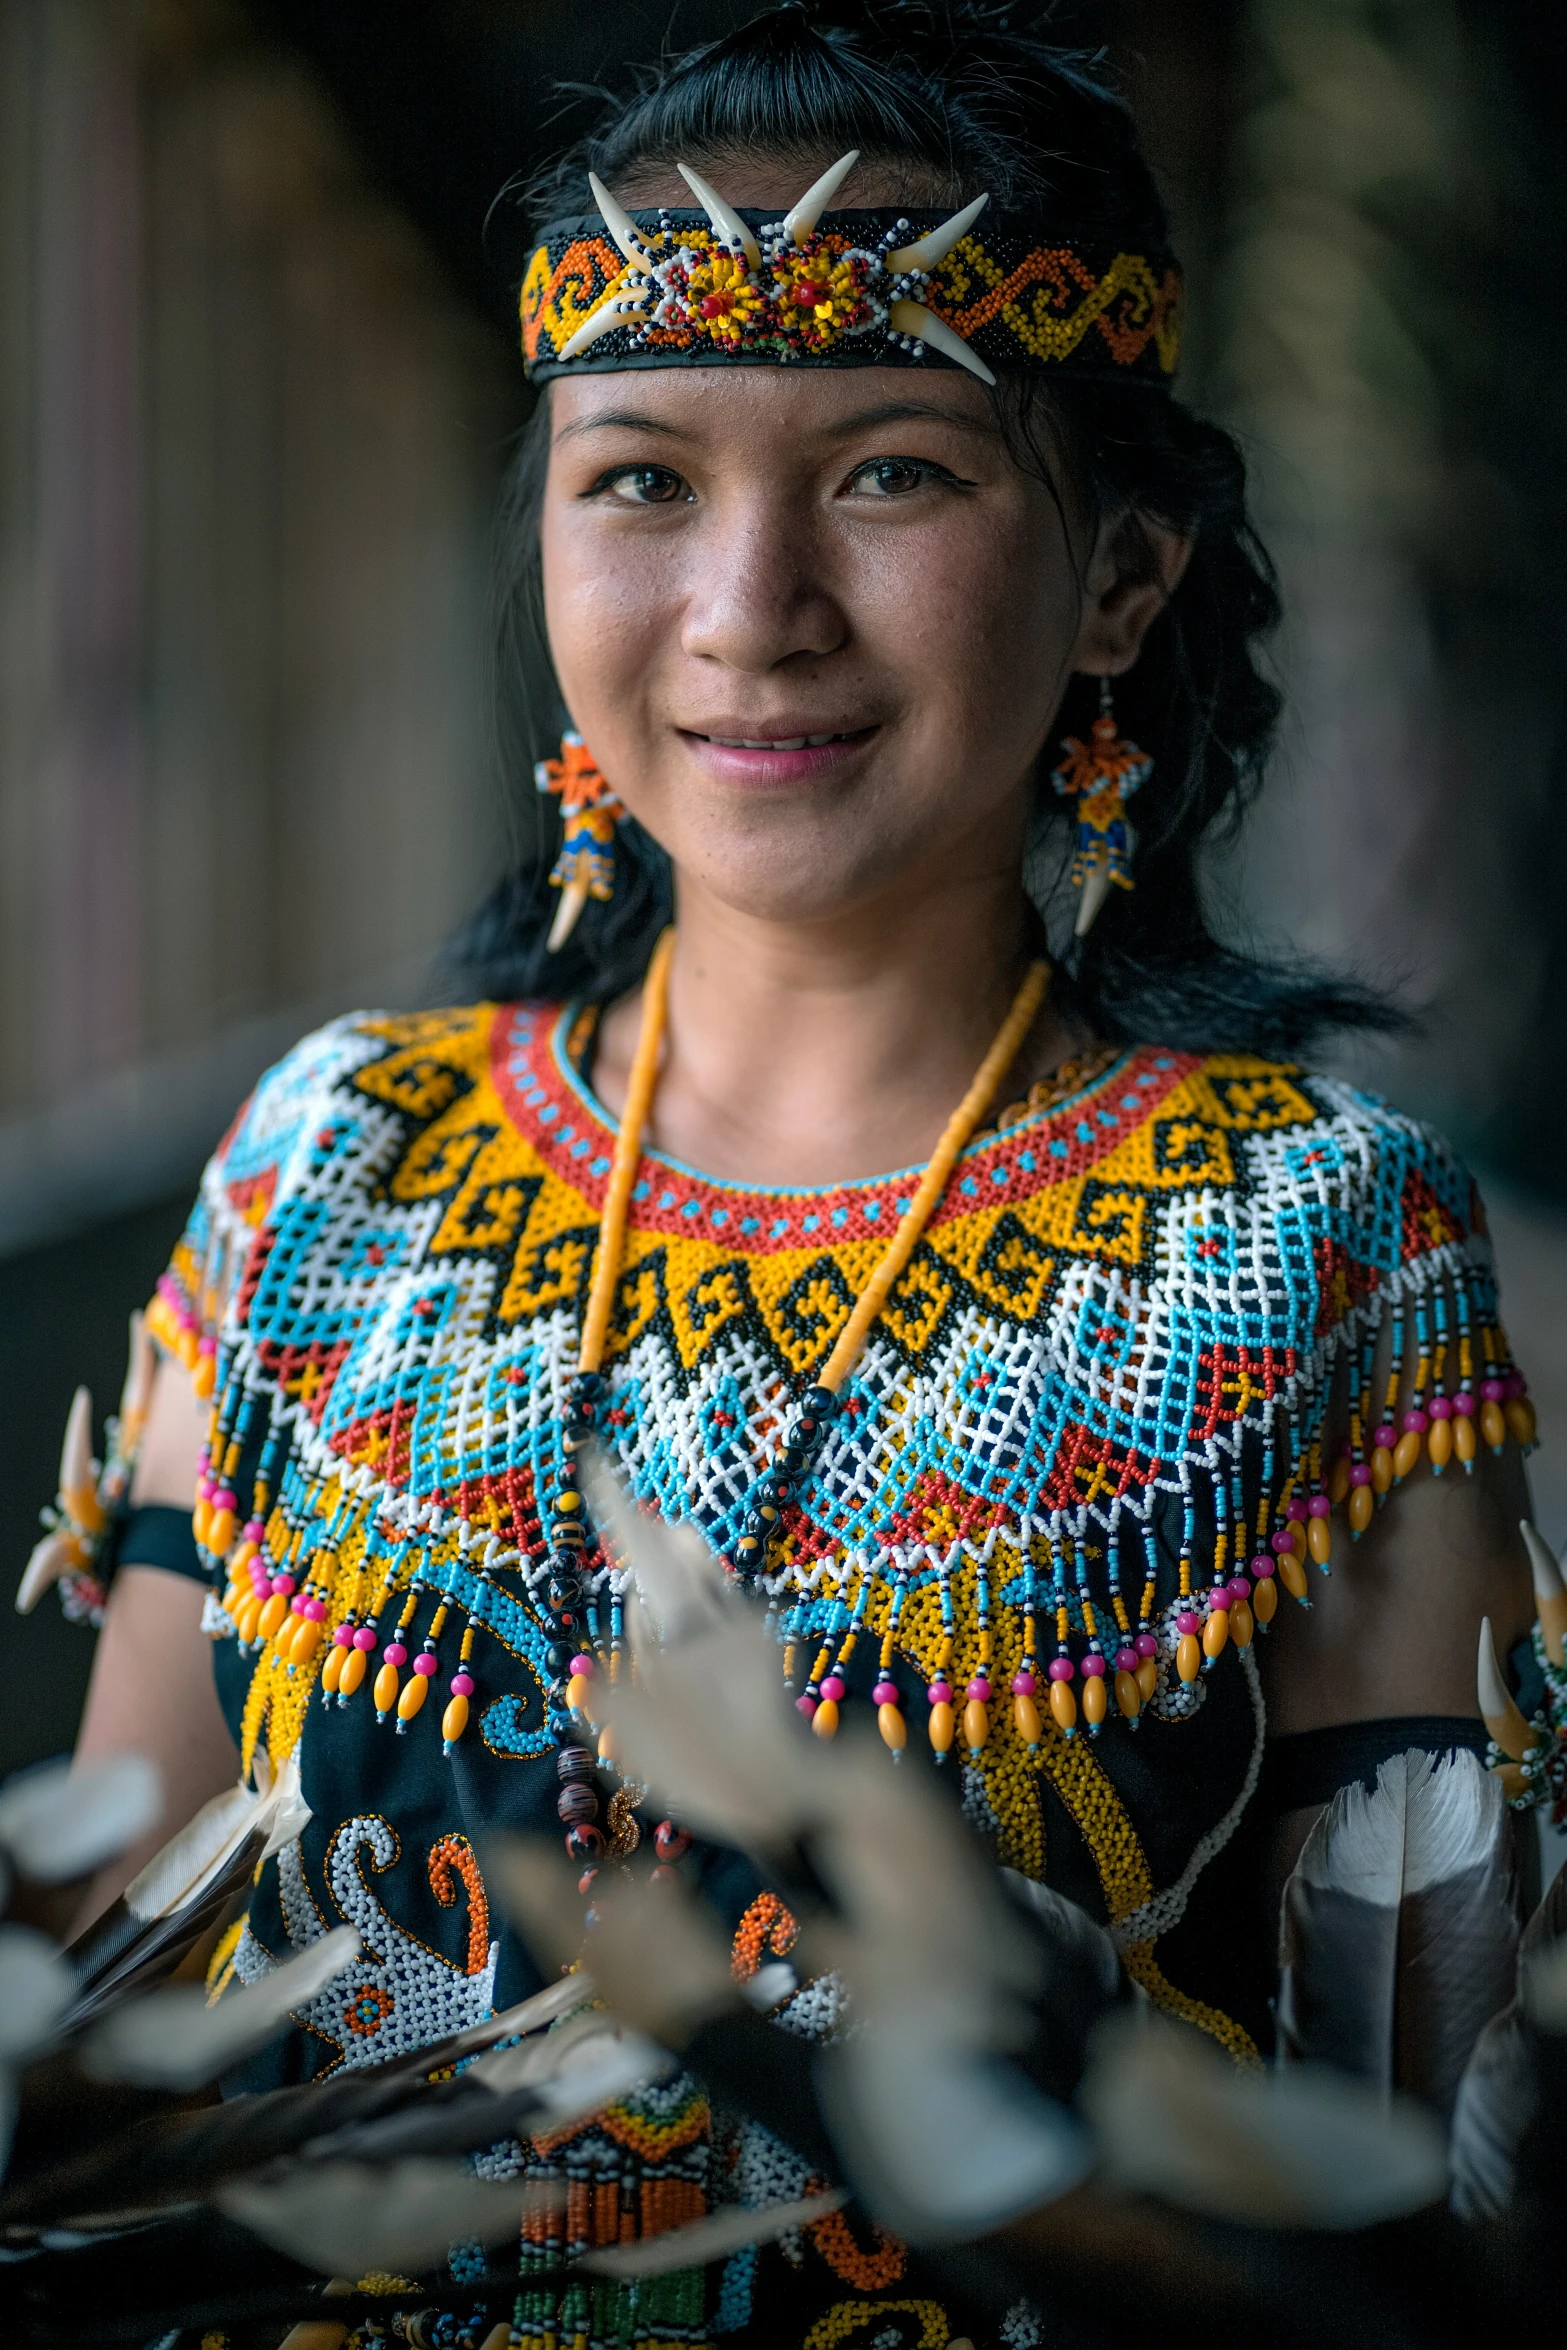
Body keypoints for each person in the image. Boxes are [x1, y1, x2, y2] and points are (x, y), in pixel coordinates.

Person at [40, 6, 1539, 2345]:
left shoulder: (1318, 1242)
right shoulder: (323, 1167)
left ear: (1124, 575)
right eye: (640, 477)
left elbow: (1402, 2208)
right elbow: (110, 1985)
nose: (751, 604)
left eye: (895, 475)